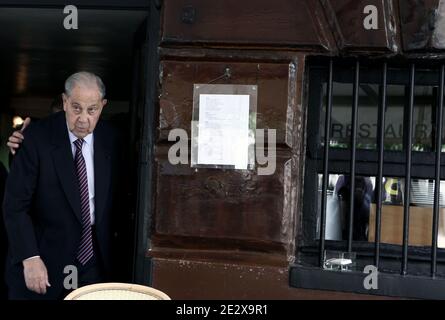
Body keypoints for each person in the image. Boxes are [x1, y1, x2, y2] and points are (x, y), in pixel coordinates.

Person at [2, 71, 122, 300]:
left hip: (95, 264)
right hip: (43, 261)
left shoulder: (113, 140)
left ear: (103, 106)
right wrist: (30, 257)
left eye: (92, 109)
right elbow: (15, 206)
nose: (84, 118)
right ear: (65, 102)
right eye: (76, 108)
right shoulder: (35, 138)